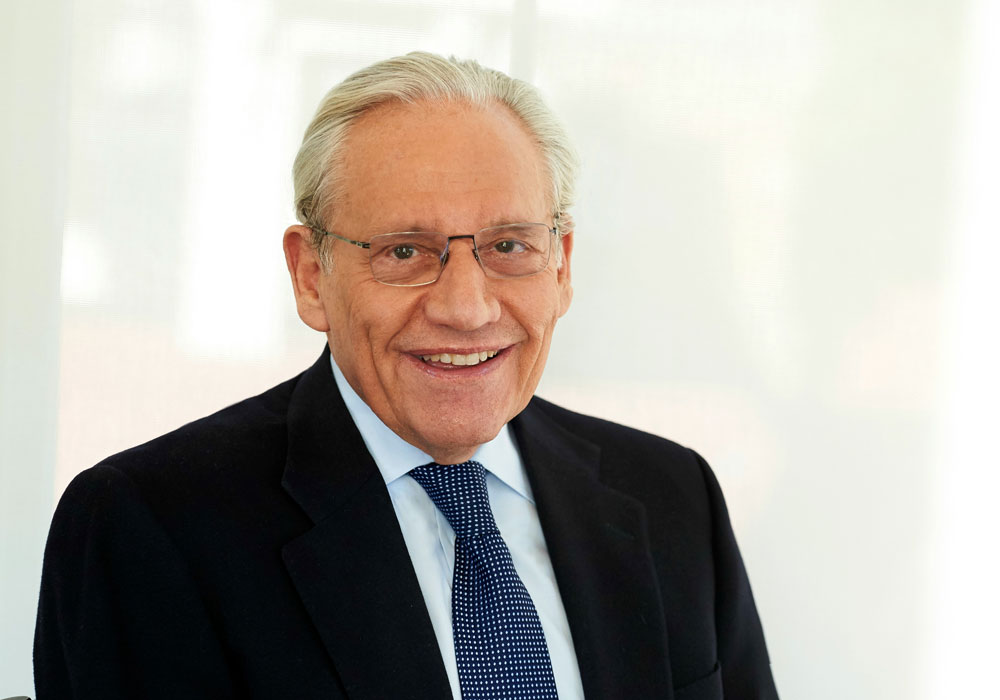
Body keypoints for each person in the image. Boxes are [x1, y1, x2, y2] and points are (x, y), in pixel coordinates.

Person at [34, 52, 778, 699]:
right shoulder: (147, 529)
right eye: (403, 251)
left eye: (511, 245)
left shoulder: (672, 498)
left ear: (563, 266)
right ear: (311, 277)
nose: (466, 307)